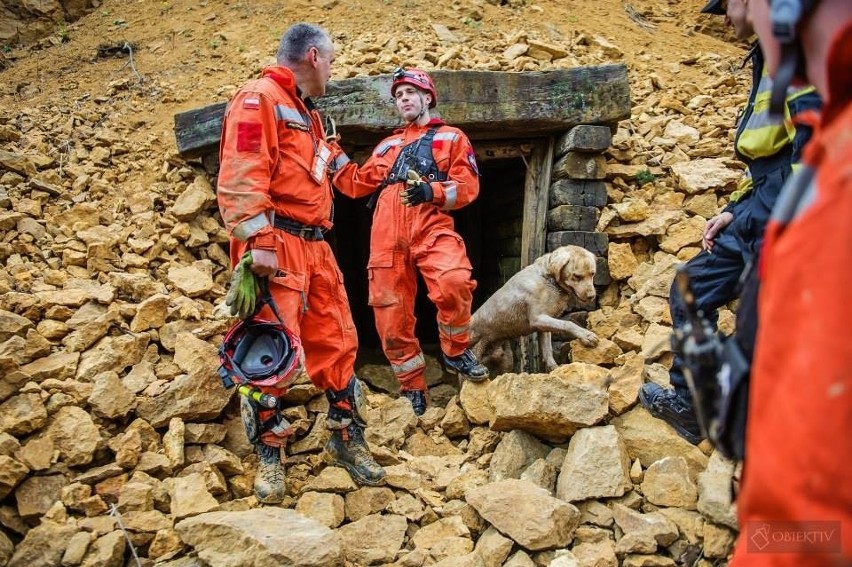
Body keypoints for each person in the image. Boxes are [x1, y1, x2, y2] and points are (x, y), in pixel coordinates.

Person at [216, 23, 385, 503]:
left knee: (337, 341)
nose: (333, 70)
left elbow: (345, 179)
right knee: (268, 353)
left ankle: (347, 439)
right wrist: (260, 242)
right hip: (279, 247)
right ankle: (269, 454)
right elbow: (240, 173)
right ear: (314, 56)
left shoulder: (312, 119)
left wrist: (389, 162)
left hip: (316, 248)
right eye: (331, 60)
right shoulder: (259, 98)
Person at [638, 0, 821, 444]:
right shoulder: (769, 54)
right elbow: (768, 157)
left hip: (788, 208)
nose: (721, 15)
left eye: (726, 5)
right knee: (691, 286)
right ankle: (693, 407)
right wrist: (734, 210)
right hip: (763, 202)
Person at [730, 0, 852, 564]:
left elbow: (810, 517)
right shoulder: (829, 155)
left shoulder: (837, 188)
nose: (738, 25)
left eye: (745, 9)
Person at [332, 67, 488, 416]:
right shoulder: (387, 144)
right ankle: (412, 388)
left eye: (409, 93)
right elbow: (356, 184)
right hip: (386, 235)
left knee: (454, 281)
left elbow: (467, 187)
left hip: (430, 225)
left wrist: (430, 190)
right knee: (390, 317)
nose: (403, 99)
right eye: (398, 96)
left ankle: (455, 349)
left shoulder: (451, 137)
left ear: (427, 97)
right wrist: (332, 151)